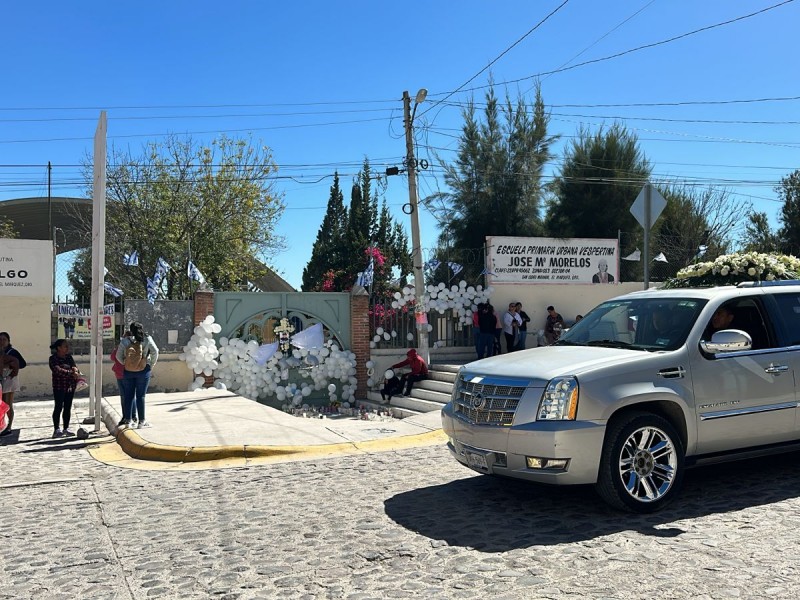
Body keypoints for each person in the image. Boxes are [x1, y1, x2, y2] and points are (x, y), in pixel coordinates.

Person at [116, 321, 159, 428]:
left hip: (128, 371)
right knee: (141, 396)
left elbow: (118, 356)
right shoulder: (147, 339)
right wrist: (150, 364)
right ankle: (142, 422)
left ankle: (128, 421)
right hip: (143, 370)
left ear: (131, 330)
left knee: (128, 396)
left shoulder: (126, 341)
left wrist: (126, 363)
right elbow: (155, 351)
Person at [49, 339, 79, 438]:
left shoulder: (69, 357)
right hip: (59, 386)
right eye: (65, 346)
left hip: (70, 386)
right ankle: (56, 429)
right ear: (59, 348)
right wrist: (71, 372)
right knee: (58, 406)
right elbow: (57, 370)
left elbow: (74, 366)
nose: (67, 348)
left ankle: (66, 428)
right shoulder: (53, 359)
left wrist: (75, 369)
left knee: (68, 407)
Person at [0, 332, 26, 437]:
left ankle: (9, 427)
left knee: (8, 404)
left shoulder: (12, 352)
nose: (2, 342)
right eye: (0, 339)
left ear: (8, 341)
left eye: (4, 339)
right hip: (1, 379)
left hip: (10, 379)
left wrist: (10, 365)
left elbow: (22, 364)